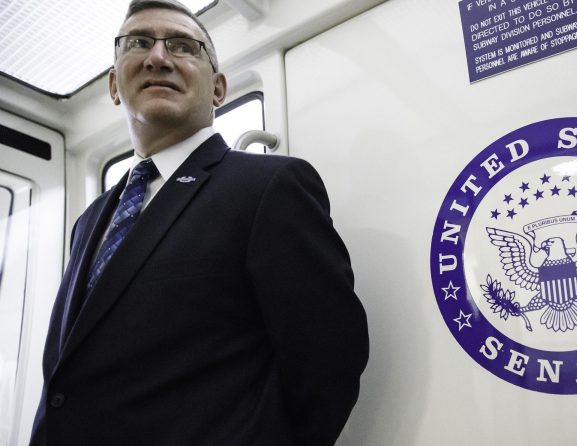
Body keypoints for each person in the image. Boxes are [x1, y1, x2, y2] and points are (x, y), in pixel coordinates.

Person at [30, 1, 369, 444]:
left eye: (183, 46)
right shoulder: (90, 220)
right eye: (138, 43)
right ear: (115, 85)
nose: (157, 57)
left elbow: (328, 360)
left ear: (219, 89)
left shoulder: (268, 187)